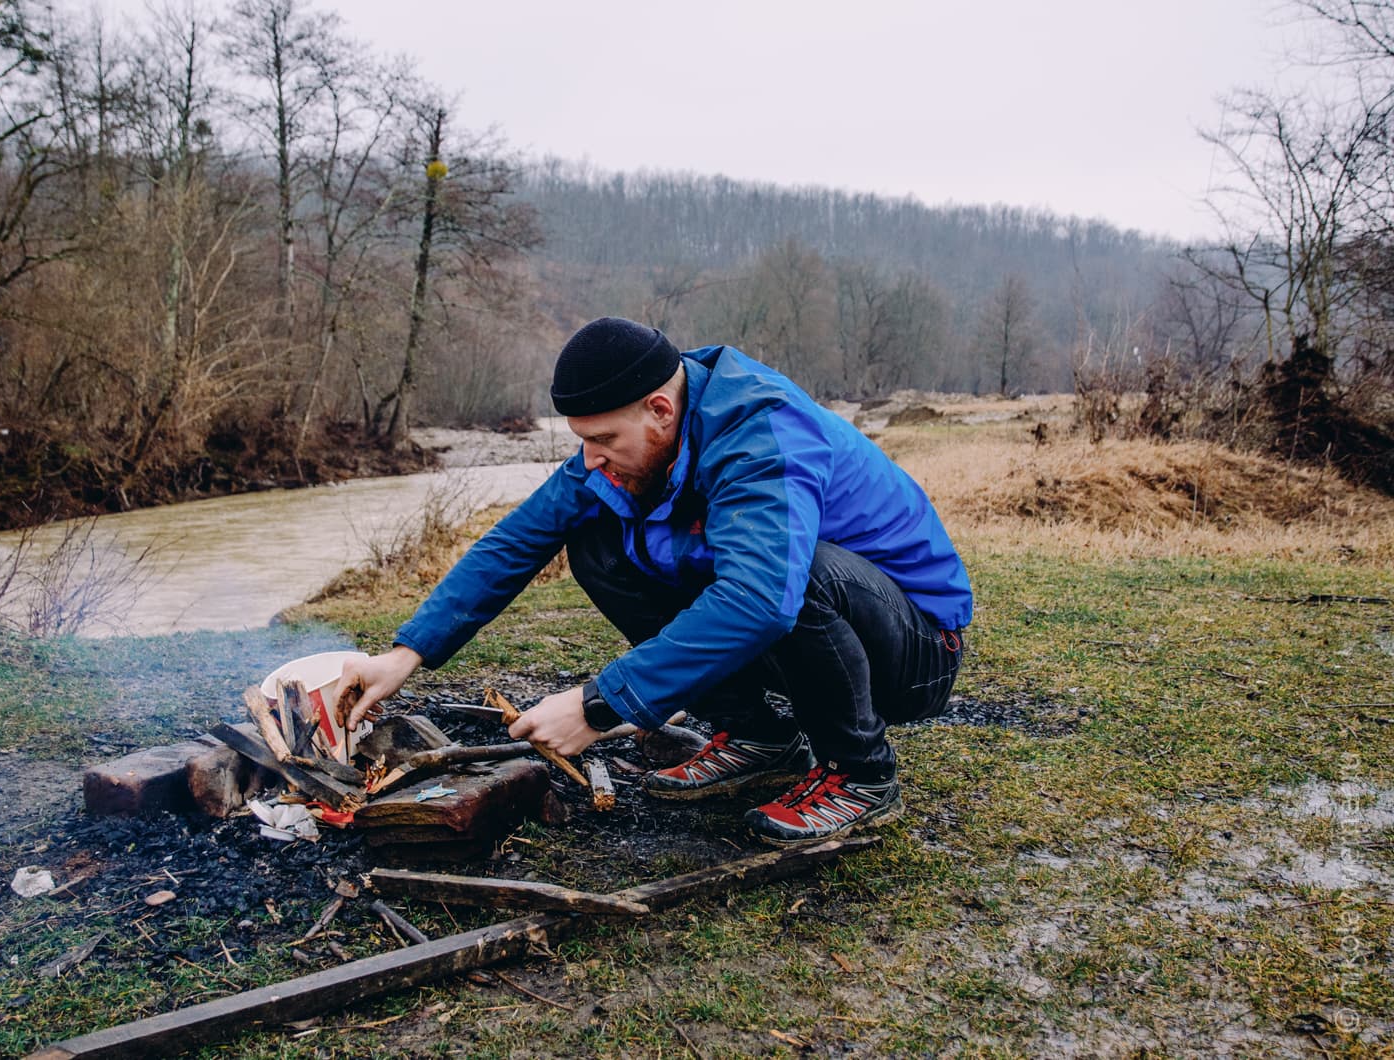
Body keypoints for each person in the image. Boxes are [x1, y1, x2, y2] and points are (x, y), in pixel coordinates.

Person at [338, 317, 973, 844]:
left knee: (789, 576)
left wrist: (596, 705)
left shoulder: (761, 435)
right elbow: (517, 539)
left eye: (603, 439)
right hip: (812, 633)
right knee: (594, 545)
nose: (590, 458)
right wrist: (406, 651)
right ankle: (759, 735)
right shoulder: (634, 438)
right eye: (581, 441)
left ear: (661, 409)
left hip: (913, 652)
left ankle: (860, 772)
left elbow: (760, 599)